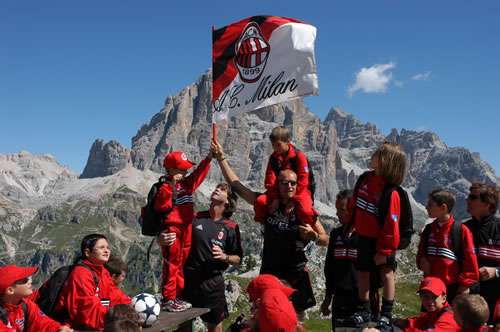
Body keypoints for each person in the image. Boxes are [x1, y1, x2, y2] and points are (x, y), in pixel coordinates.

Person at [211, 142, 328, 319]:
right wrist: (221, 158)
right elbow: (237, 187)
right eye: (284, 183)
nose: (289, 186)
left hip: (296, 277)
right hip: (270, 274)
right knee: (267, 319)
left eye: (292, 183)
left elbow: (326, 240)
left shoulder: (304, 210)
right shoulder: (268, 205)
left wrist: (314, 236)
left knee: (294, 322)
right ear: (277, 185)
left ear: (298, 185)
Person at [161, 183, 243, 332]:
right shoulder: (195, 218)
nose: (217, 189)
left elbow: (238, 259)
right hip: (188, 281)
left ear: (228, 201)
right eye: (217, 187)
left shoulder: (231, 227)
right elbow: (174, 233)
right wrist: (161, 238)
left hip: (212, 284)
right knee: (183, 325)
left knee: (215, 327)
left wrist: (225, 257)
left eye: (223, 189)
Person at [348, 142, 407, 330]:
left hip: (382, 241)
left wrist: (384, 251)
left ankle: (386, 314)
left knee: (387, 273)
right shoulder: (365, 178)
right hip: (363, 236)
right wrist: (351, 224)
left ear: (385, 161)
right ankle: (364, 311)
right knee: (363, 273)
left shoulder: (391, 192)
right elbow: (354, 202)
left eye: (377, 154)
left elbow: (391, 225)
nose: (372, 156)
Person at [154, 150, 212, 312]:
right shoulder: (164, 187)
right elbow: (160, 209)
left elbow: (198, 174)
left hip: (186, 228)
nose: (186, 172)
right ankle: (168, 298)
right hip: (172, 229)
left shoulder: (187, 184)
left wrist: (208, 158)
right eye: (182, 169)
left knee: (181, 262)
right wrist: (172, 186)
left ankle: (177, 295)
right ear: (171, 170)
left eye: (186, 169)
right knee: (172, 263)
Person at [54, 234, 131, 331]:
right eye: (101, 248)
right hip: (77, 327)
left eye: (107, 248)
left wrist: (130, 306)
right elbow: (88, 310)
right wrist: (119, 316)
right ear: (87, 252)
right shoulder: (80, 274)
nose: (107, 251)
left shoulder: (103, 272)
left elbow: (114, 295)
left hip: (96, 324)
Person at [417, 189, 479, 303]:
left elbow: (471, 261)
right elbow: (421, 252)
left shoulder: (461, 230)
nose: (426, 207)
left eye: (430, 205)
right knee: (427, 318)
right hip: (430, 286)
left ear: (443, 208)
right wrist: (422, 259)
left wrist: (464, 286)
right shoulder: (428, 229)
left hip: (451, 289)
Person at [253, 126, 315, 225]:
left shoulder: (299, 156)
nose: (275, 148)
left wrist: (293, 200)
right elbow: (270, 180)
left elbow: (304, 181)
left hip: (299, 191)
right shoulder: (273, 158)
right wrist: (276, 197)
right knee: (260, 202)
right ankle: (265, 224)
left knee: (306, 211)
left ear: (288, 141)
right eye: (273, 145)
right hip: (279, 191)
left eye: (278, 145)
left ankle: (306, 233)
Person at [463, 183, 500, 324]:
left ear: (487, 204)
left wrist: (496, 271)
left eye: (472, 197)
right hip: (466, 301)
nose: (467, 200)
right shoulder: (462, 229)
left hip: (494, 303)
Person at [0, 265, 73, 332]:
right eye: (25, 280)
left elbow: (43, 323)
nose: (30, 281)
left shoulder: (25, 305)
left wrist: (58, 329)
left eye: (29, 278)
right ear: (10, 290)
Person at [393, 277, 460, 332]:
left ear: (443, 298)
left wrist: (405, 329)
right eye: (425, 296)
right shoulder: (433, 312)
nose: (429, 301)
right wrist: (405, 323)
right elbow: (418, 322)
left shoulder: (448, 318)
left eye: (434, 297)